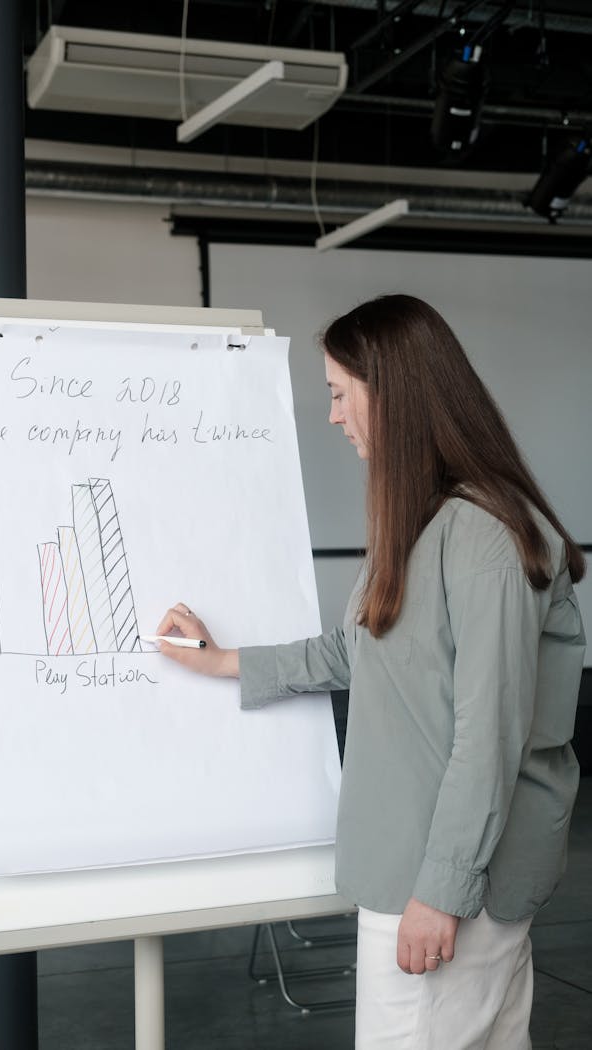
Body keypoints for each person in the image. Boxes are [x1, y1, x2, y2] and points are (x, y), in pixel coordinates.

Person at [155, 294, 586, 1050]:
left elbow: (489, 736)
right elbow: (356, 649)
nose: (331, 415)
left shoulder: (483, 534)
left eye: (338, 393)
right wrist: (223, 659)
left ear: (393, 394)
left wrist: (440, 894)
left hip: (445, 887)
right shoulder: (423, 522)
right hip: (414, 873)